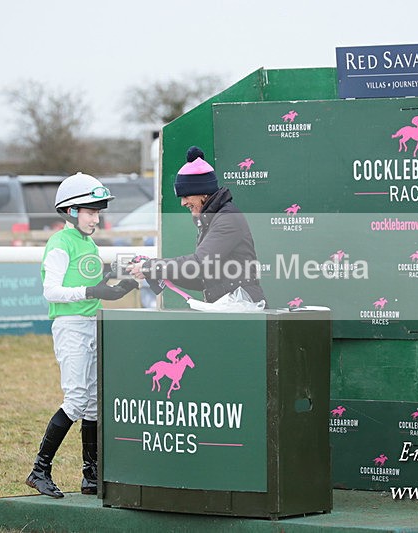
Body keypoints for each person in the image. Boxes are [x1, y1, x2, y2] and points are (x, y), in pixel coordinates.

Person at [26, 172, 138, 498]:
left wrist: (117, 282)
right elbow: (51, 291)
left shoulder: (88, 243)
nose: (96, 219)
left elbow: (91, 281)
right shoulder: (59, 243)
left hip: (92, 325)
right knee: (76, 401)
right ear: (71, 211)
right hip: (70, 327)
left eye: (98, 212)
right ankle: (39, 470)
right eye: (90, 212)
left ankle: (91, 476)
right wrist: (92, 290)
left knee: (93, 404)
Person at [128, 146, 267, 305]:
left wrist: (151, 266)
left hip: (242, 306)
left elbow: (199, 264)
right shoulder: (212, 218)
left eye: (186, 196)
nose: (183, 203)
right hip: (232, 305)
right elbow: (201, 278)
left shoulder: (227, 218)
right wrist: (156, 271)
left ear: (203, 192)